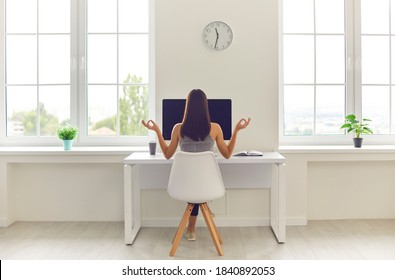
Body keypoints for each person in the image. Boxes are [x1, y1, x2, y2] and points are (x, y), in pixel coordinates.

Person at [141, 89, 250, 241]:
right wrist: (236, 131)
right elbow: (227, 154)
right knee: (199, 186)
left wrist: (158, 132)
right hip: (207, 184)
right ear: (206, 106)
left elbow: (167, 155)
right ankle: (201, 210)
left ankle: (191, 228)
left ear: (187, 106)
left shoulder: (178, 128)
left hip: (184, 183)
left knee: (194, 185)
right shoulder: (216, 128)